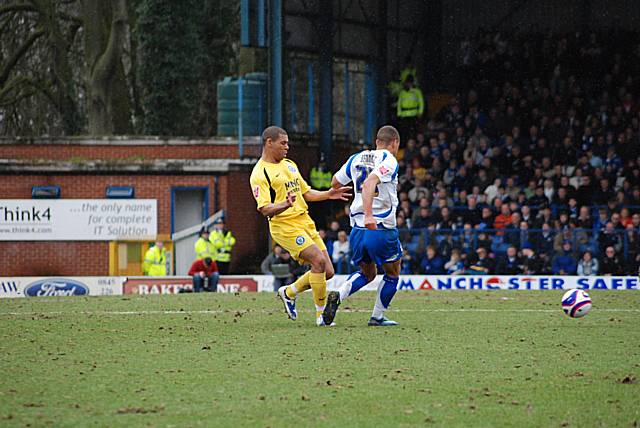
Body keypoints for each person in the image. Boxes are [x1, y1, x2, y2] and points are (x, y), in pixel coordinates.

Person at [249, 126, 351, 326]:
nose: (287, 147)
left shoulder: (289, 164)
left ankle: (289, 292)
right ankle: (322, 317)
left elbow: (306, 193)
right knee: (318, 262)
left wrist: (328, 194)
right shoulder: (260, 174)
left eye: (287, 143)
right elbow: (264, 209)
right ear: (269, 143)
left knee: (327, 271)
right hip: (284, 225)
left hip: (304, 221)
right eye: (283, 143)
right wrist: (284, 205)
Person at [324, 125, 403, 326]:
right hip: (379, 226)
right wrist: (369, 215)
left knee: (368, 273)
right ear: (395, 143)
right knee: (392, 273)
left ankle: (338, 295)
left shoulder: (356, 158)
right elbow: (369, 183)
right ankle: (377, 317)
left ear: (376, 142)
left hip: (357, 230)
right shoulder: (389, 160)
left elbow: (335, 182)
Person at [396, 75, 424, 140]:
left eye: (410, 83)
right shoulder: (402, 92)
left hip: (414, 114)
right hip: (404, 115)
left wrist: (420, 112)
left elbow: (421, 102)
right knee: (404, 131)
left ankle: (413, 142)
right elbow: (399, 103)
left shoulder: (417, 91)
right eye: (407, 83)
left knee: (414, 131)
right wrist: (399, 114)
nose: (409, 84)